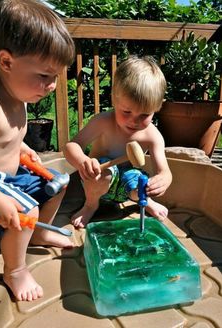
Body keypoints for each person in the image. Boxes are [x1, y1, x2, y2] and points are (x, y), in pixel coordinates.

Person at [0, 0, 75, 301]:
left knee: (59, 182)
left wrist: (22, 147)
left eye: (55, 77)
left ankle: (40, 231)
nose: (51, 86)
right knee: (27, 209)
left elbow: (6, 137)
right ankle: (15, 270)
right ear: (7, 62)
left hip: (9, 177)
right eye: (44, 76)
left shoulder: (18, 95)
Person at [65, 56, 172, 228]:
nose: (134, 121)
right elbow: (72, 146)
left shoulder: (153, 135)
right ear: (114, 99)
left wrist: (162, 180)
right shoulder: (103, 122)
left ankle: (145, 201)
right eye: (127, 111)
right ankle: (90, 206)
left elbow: (164, 171)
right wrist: (83, 162)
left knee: (143, 182)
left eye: (144, 115)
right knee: (105, 172)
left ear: (157, 108)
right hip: (97, 180)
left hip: (126, 187)